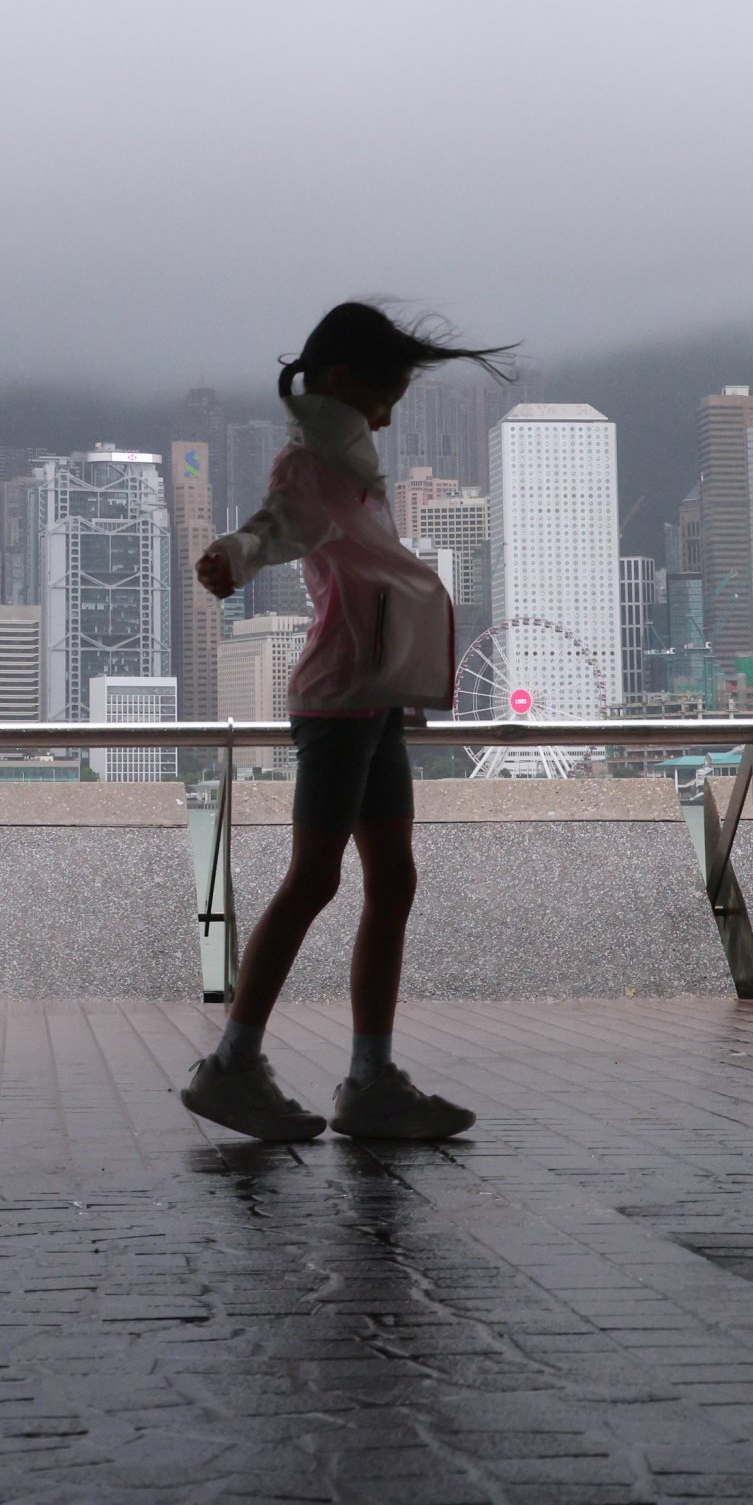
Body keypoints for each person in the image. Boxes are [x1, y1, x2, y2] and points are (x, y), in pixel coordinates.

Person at [178, 301, 509, 1144]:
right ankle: (233, 1065)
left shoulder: (353, 468)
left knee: (392, 879)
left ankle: (370, 1078)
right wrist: (232, 558)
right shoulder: (311, 468)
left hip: (374, 705)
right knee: (316, 876)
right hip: (335, 702)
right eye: (386, 394)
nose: (394, 413)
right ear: (340, 383)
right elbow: (274, 527)